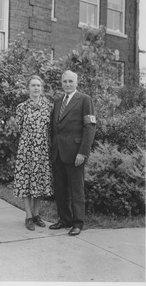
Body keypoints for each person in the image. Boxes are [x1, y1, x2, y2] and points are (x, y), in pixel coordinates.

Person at [49, 70, 96, 236]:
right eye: (65, 82)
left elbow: (89, 128)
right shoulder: (57, 101)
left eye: (70, 81)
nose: (67, 84)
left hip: (75, 154)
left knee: (76, 190)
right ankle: (64, 219)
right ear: (61, 83)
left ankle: (77, 223)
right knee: (60, 189)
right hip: (57, 153)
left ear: (76, 82)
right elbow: (54, 129)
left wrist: (83, 152)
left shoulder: (84, 100)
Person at [13, 75, 53, 231]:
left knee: (40, 182)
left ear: (41, 88)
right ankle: (28, 216)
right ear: (28, 88)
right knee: (26, 182)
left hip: (42, 150)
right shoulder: (21, 107)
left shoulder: (48, 107)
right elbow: (20, 128)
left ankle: (37, 215)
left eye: (39, 85)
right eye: (33, 85)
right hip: (27, 150)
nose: (36, 88)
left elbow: (50, 129)